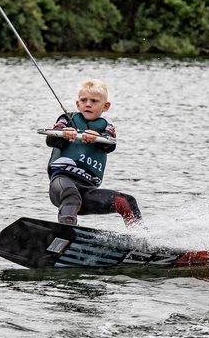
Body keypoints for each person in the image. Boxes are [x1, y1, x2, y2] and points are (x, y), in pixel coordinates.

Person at [46, 79, 143, 227]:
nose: (88, 104)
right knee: (72, 196)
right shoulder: (67, 120)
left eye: (94, 101)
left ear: (106, 106)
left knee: (127, 201)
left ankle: (141, 239)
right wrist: (64, 133)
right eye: (83, 100)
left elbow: (110, 145)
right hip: (62, 183)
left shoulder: (107, 128)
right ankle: (66, 229)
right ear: (78, 104)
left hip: (88, 192)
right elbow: (51, 140)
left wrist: (97, 138)